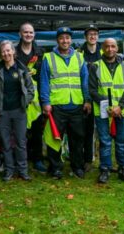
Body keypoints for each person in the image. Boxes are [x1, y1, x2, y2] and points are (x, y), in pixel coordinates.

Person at [41, 27, 91, 180]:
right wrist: (45, 102)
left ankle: (77, 167)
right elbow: (44, 81)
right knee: (55, 139)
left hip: (76, 105)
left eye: (67, 38)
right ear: (57, 40)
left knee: (77, 138)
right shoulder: (48, 58)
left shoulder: (79, 57)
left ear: (71, 40)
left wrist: (87, 99)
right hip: (57, 106)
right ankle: (55, 168)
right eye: (62, 38)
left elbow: (85, 80)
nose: (65, 41)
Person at [89, 38, 124, 184]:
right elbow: (93, 90)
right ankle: (105, 169)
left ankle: (123, 168)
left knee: (122, 141)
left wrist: (120, 106)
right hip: (103, 111)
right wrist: (109, 106)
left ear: (117, 47)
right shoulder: (95, 66)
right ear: (102, 48)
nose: (110, 49)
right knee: (105, 142)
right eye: (107, 46)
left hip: (122, 110)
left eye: (113, 46)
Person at [0, 40, 34, 182]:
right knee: (6, 142)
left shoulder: (22, 69)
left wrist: (25, 102)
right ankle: (9, 170)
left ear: (13, 52)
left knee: (21, 142)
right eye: (3, 51)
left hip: (19, 111)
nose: (6, 53)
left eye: (8, 50)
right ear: (1, 54)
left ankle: (23, 171)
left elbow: (31, 90)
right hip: (3, 112)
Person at [15, 22, 46, 173]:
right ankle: (21, 159)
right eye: (25, 32)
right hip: (18, 97)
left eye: (31, 32)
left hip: (37, 98)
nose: (28, 35)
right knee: (20, 130)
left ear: (34, 35)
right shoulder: (13, 52)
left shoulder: (40, 53)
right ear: (20, 34)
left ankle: (38, 159)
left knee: (37, 130)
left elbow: (45, 76)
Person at [77, 24, 103, 172]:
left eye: (95, 34)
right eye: (90, 34)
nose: (93, 36)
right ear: (85, 37)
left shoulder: (104, 51)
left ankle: (104, 161)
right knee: (86, 130)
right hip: (85, 97)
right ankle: (86, 160)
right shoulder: (79, 53)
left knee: (103, 131)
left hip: (101, 97)